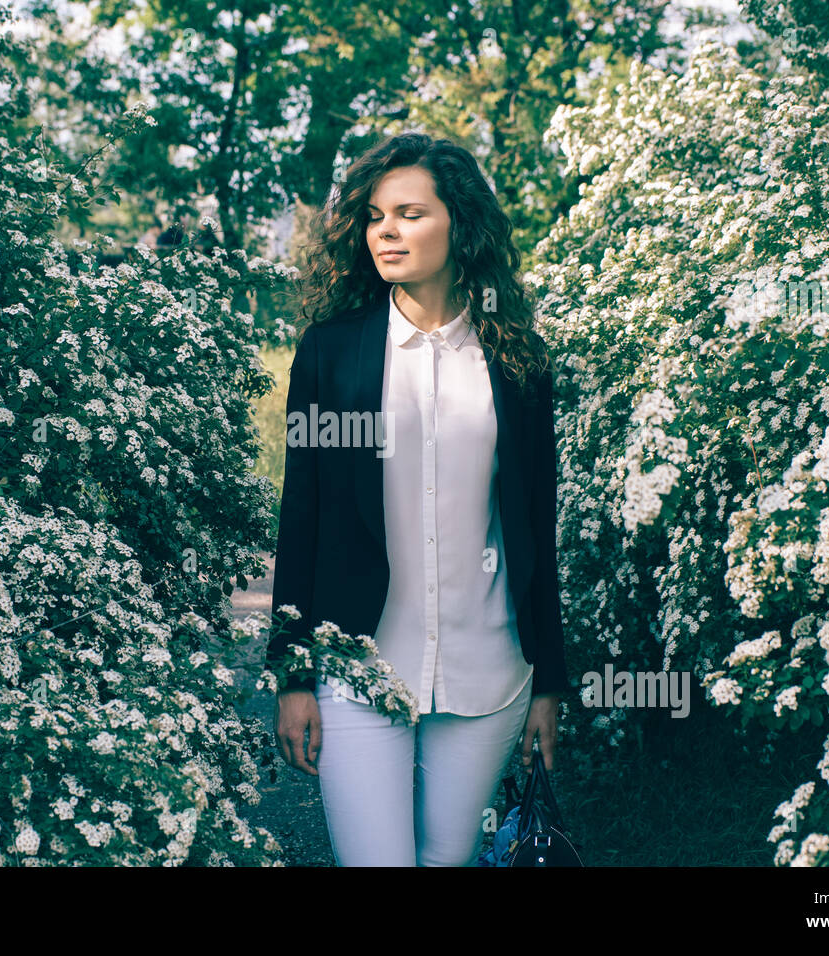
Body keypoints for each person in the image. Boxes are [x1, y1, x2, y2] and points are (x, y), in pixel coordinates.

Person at [266, 131, 572, 866]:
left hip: (490, 673)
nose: (386, 232)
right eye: (375, 216)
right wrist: (292, 671)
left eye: (410, 213)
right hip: (359, 670)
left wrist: (548, 684)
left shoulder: (517, 359)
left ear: (458, 225)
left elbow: (537, 527)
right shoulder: (331, 353)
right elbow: (302, 518)